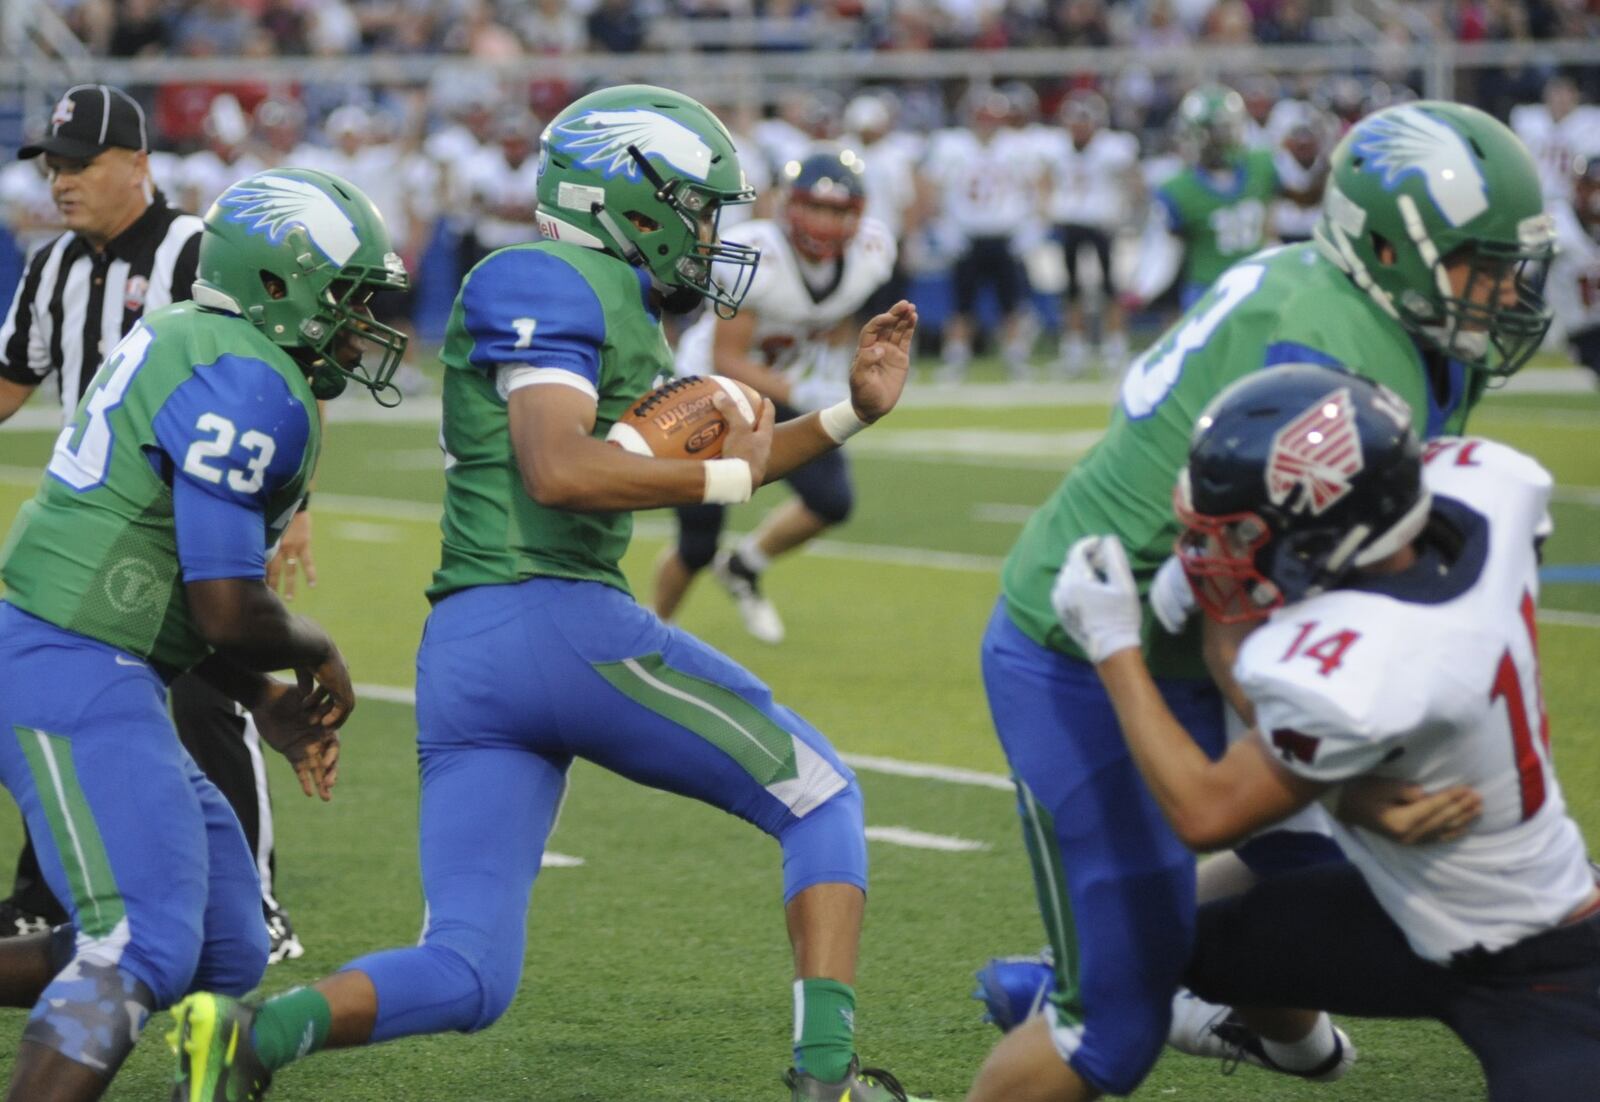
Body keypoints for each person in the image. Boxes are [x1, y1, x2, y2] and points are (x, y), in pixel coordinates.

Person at [169, 84, 928, 1102]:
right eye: (698, 209)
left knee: (471, 971)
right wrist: (719, 473)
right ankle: (828, 1081)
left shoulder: (599, 298)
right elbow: (559, 471)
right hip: (554, 617)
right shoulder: (548, 276)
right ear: (634, 199)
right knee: (823, 796)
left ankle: (253, 1038)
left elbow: (685, 462)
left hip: (470, 653)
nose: (709, 233)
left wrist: (847, 414)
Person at [967, 100, 1556, 1102]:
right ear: (1383, 247)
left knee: (1304, 877)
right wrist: (1351, 786)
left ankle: (1208, 989)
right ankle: (1117, 972)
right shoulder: (1327, 364)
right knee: (1106, 1031)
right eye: (1473, 263)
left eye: (1507, 264)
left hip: (1204, 618)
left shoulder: (1395, 322)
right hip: (1091, 644)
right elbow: (1247, 620)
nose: (1498, 290)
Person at [1050, 364, 1600, 1102]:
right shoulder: (1488, 488)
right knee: (1188, 940)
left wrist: (1113, 645)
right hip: (1411, 911)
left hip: (1546, 969)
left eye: (1243, 530)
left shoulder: (1366, 662)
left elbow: (1205, 811)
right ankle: (1295, 1051)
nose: (1222, 548)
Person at [0, 164, 409, 1102]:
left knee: (225, 938)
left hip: (108, 660)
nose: (362, 325)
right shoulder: (245, 375)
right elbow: (225, 604)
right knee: (138, 937)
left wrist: (260, 697)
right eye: (347, 301)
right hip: (68, 660)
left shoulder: (202, 339)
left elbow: (174, 601)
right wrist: (314, 648)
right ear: (278, 285)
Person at [0, 83, 309, 962]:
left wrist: (302, 507)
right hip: (101, 524)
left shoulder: (197, 251)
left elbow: (267, 373)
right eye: (52, 165)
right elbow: (11, 379)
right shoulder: (51, 265)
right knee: (70, 694)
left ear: (138, 164)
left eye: (80, 163)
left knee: (210, 690)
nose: (61, 182)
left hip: (198, 512)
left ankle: (255, 894)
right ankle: (40, 893)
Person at [653, 149, 896, 644]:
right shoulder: (757, 256)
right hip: (707, 392)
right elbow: (728, 358)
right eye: (816, 208)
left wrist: (829, 366)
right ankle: (650, 632)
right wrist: (803, 389)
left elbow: (835, 314)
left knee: (831, 500)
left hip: (774, 383)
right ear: (789, 206)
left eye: (839, 211)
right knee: (698, 542)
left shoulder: (872, 254)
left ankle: (744, 565)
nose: (826, 223)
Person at [1124, 84, 1324, 313]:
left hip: (1258, 284)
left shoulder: (1262, 164)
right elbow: (1163, 250)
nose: (1221, 140)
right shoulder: (1178, 189)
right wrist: (1143, 289)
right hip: (1209, 291)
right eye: (1216, 132)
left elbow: (1304, 199)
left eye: (1225, 131)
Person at [1038, 91, 1141, 376]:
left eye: (1084, 121)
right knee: (1071, 290)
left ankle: (1115, 347)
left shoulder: (1113, 148)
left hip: (1102, 224)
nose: (1079, 127)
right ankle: (1074, 349)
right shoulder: (1055, 148)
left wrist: (1129, 211)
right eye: (1075, 122)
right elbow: (1044, 181)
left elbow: (1134, 180)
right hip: (1069, 223)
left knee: (1111, 288)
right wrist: (1045, 210)